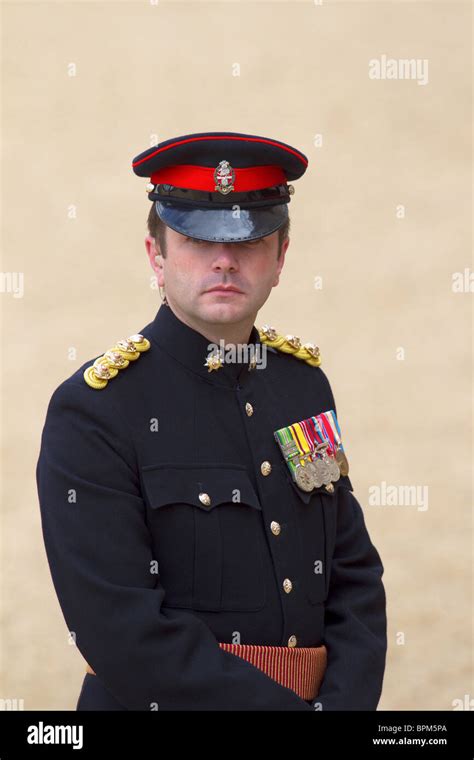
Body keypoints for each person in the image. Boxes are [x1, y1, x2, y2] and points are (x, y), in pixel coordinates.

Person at [36, 130, 387, 711]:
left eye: (249, 241)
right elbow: (120, 630)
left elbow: (352, 577)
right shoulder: (94, 409)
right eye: (199, 240)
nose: (224, 260)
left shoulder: (301, 387)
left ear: (281, 259)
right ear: (157, 256)